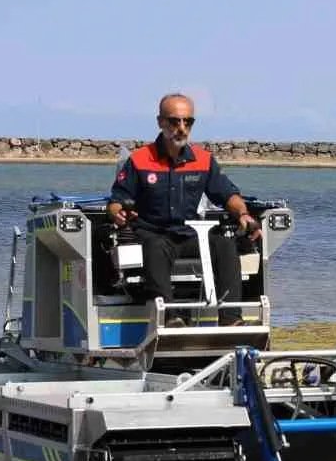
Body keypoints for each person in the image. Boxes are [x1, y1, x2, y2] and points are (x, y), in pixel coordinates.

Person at [106, 93, 262, 326]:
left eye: (187, 122)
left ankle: (231, 320)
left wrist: (243, 214)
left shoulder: (203, 159)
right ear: (160, 122)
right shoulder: (139, 160)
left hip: (190, 235)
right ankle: (170, 318)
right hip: (153, 234)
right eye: (174, 121)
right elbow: (117, 200)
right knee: (156, 246)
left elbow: (228, 195)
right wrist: (118, 213)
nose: (181, 128)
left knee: (224, 245)